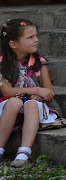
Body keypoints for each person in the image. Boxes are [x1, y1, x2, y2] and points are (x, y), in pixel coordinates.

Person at [0, 19, 58, 168]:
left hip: (32, 108)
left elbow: (49, 91)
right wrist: (36, 90)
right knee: (14, 102)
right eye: (30, 37)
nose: (36, 40)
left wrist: (40, 95)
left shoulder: (39, 62)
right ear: (13, 44)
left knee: (31, 105)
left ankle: (24, 153)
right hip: (9, 108)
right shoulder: (2, 63)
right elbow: (7, 91)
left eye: (36, 36)